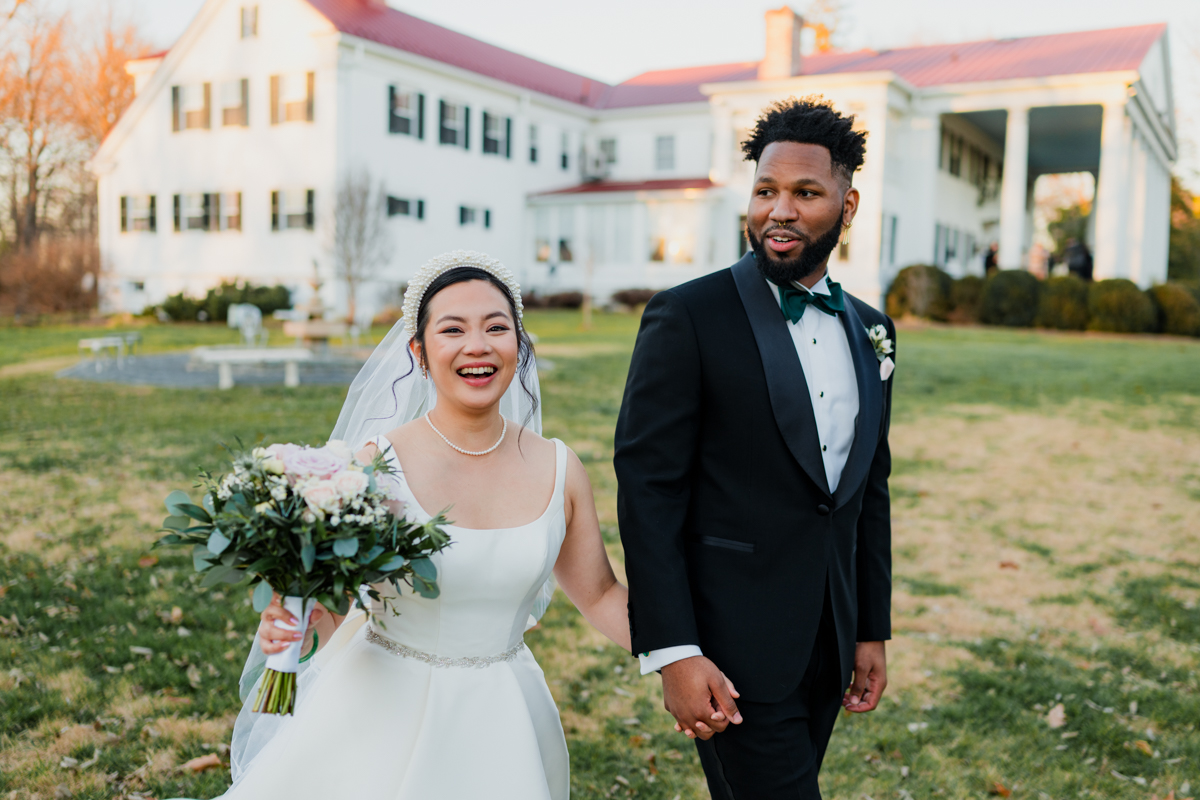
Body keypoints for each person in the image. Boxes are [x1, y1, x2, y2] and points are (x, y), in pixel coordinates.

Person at [196, 252, 642, 799]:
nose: (477, 346)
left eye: (496, 328)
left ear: (520, 346)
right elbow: (332, 609)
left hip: (502, 716)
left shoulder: (559, 467)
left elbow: (598, 596)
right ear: (420, 352)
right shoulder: (372, 467)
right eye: (452, 329)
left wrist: (680, 657)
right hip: (379, 714)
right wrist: (296, 625)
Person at [615, 97, 894, 799]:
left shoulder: (872, 330)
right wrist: (673, 651)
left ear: (847, 203)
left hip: (826, 644)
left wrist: (868, 628)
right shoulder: (688, 316)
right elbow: (649, 489)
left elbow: (868, 491)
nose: (780, 210)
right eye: (766, 190)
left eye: (806, 192)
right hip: (729, 649)